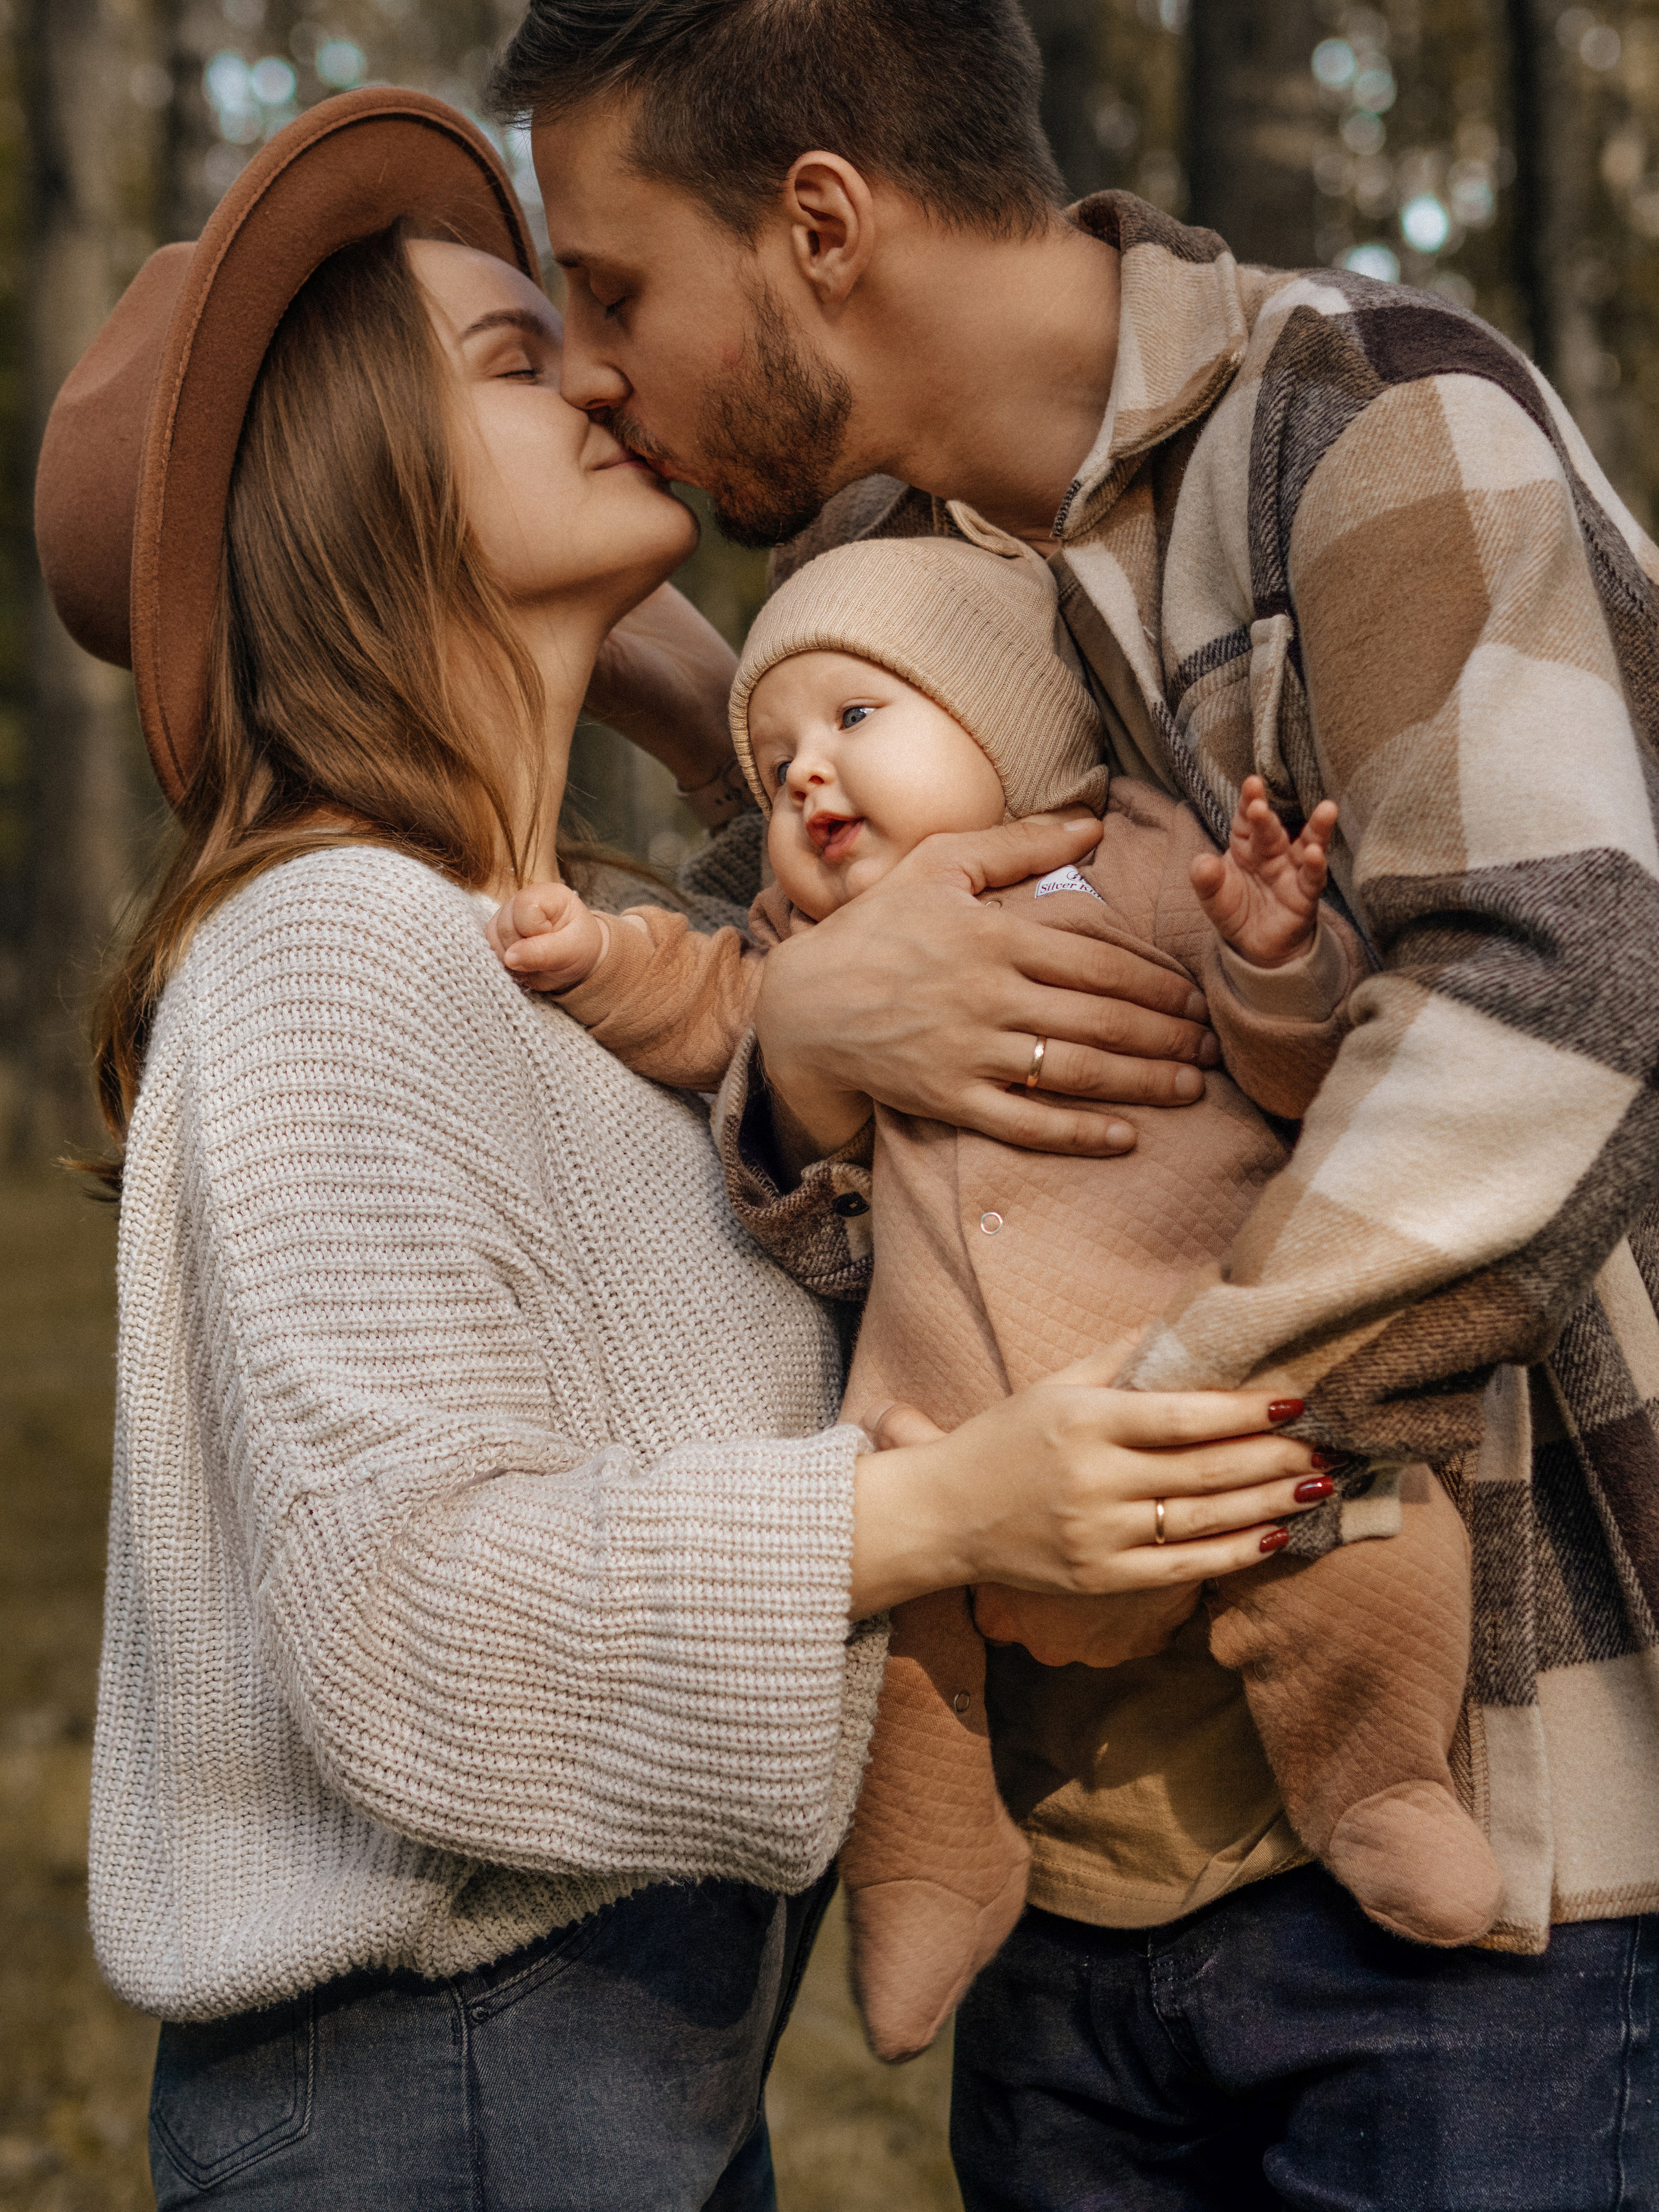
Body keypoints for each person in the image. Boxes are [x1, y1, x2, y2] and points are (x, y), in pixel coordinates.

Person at [32, 91, 1329, 2212]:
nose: (607, 373)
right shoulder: (330, 950)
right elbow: (410, 1616)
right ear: (361, 481)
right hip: (433, 2099)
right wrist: (947, 1507)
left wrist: (756, 836)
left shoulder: (583, 959)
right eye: (518, 359)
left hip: (609, 2073)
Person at [491, 3, 1659, 2202]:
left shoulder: (1378, 422)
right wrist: (812, 1047)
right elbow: (843, 1153)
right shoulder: (872, 586)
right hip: (1073, 1873)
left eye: (616, 281)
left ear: (820, 225)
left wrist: (1125, 1465)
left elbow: (1551, 1006)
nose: (584, 361)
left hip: (1486, 1858)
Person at [489, 522, 1503, 2067]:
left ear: (1004, 726)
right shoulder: (805, 946)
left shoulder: (1146, 858)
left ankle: (1379, 1784)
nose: (807, 778)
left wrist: (1272, 963)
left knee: (1366, 1546)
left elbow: (1306, 1077)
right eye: (772, 772)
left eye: (855, 719)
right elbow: (706, 1006)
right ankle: (926, 1887)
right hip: (944, 1444)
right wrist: (591, 952)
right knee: (900, 1664)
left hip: (1201, 1392)